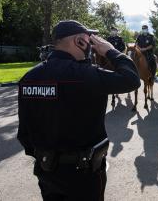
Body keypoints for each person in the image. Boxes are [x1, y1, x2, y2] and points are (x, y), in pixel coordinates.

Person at [17, 20, 140, 201]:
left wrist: (47, 157)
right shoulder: (86, 75)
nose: (90, 44)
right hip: (84, 176)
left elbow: (24, 134)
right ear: (80, 42)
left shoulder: (29, 77)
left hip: (47, 171)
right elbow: (131, 79)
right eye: (88, 40)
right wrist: (109, 50)